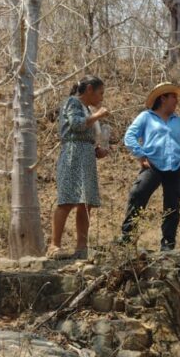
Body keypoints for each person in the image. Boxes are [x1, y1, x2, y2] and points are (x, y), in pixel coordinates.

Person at [119, 83, 180, 251]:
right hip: (152, 165)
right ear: (163, 98)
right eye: (174, 97)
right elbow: (130, 136)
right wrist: (140, 154)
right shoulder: (146, 117)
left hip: (175, 167)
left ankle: (168, 245)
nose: (177, 101)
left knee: (172, 206)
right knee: (138, 195)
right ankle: (127, 239)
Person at [49, 76, 110, 260]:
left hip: (86, 157)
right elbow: (76, 125)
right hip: (72, 155)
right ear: (89, 89)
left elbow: (87, 132)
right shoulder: (72, 103)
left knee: (86, 203)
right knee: (67, 200)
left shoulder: (87, 109)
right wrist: (98, 115)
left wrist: (97, 149)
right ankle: (54, 246)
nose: (101, 98)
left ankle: (81, 247)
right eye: (100, 93)